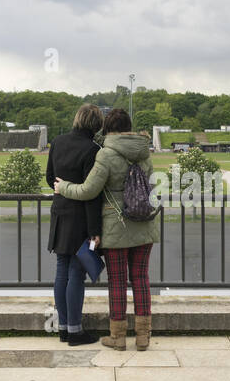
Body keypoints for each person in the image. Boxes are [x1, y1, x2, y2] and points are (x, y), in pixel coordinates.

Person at [53, 108, 160, 350]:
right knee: (141, 279)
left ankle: (118, 337)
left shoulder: (106, 154)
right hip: (145, 225)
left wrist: (65, 187)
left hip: (115, 227)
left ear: (108, 130)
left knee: (118, 282)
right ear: (129, 126)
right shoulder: (145, 153)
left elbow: (89, 190)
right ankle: (143, 337)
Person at [44, 103, 105, 346]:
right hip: (80, 219)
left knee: (61, 271)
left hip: (59, 214)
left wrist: (63, 192)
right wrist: (94, 231)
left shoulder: (58, 142)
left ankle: (63, 328)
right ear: (96, 124)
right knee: (76, 274)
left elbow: (51, 179)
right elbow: (91, 194)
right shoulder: (93, 149)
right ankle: (75, 332)